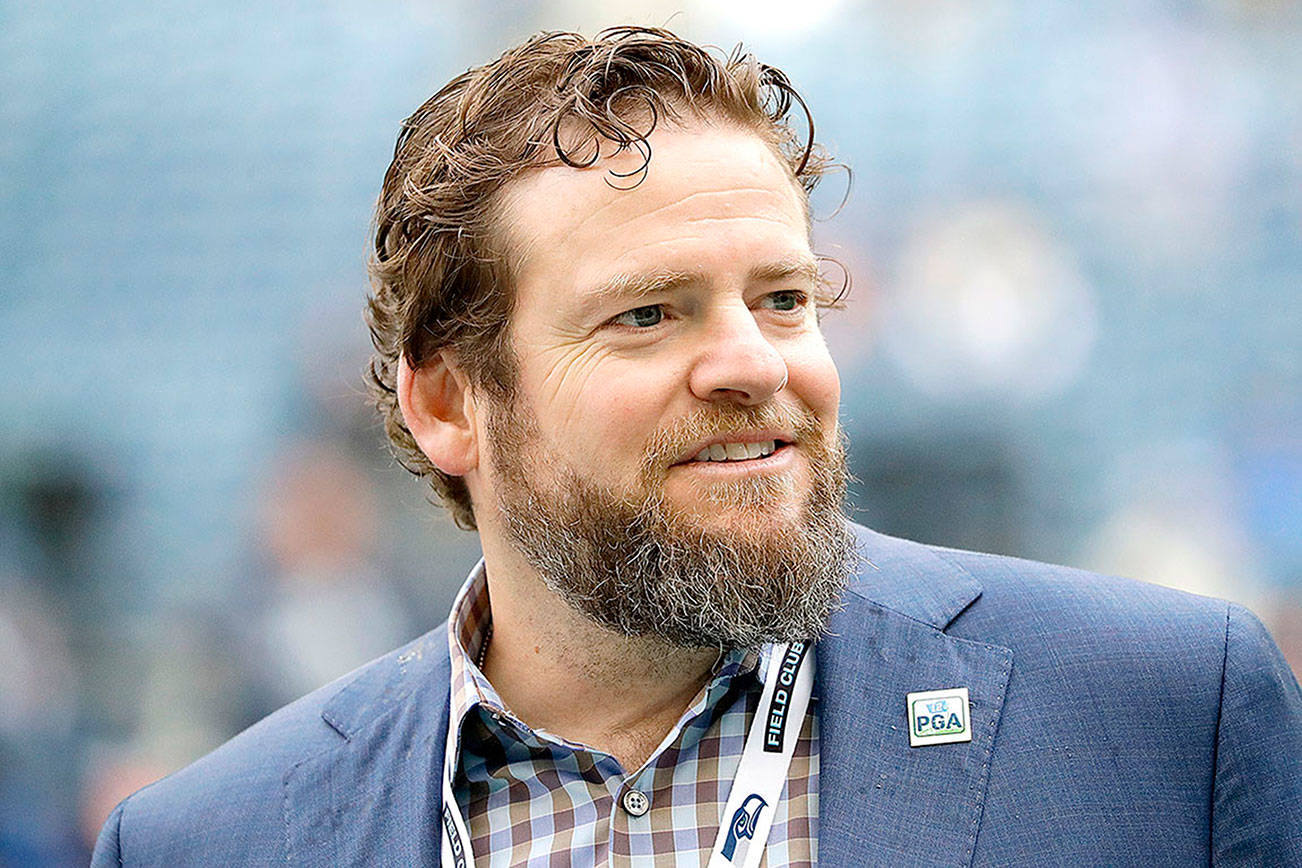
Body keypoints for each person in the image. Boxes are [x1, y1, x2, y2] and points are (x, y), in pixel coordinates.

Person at [93, 27, 1301, 866]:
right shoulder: (212, 840)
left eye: (783, 299)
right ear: (450, 405)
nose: (756, 362)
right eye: (647, 314)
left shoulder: (1165, 718)